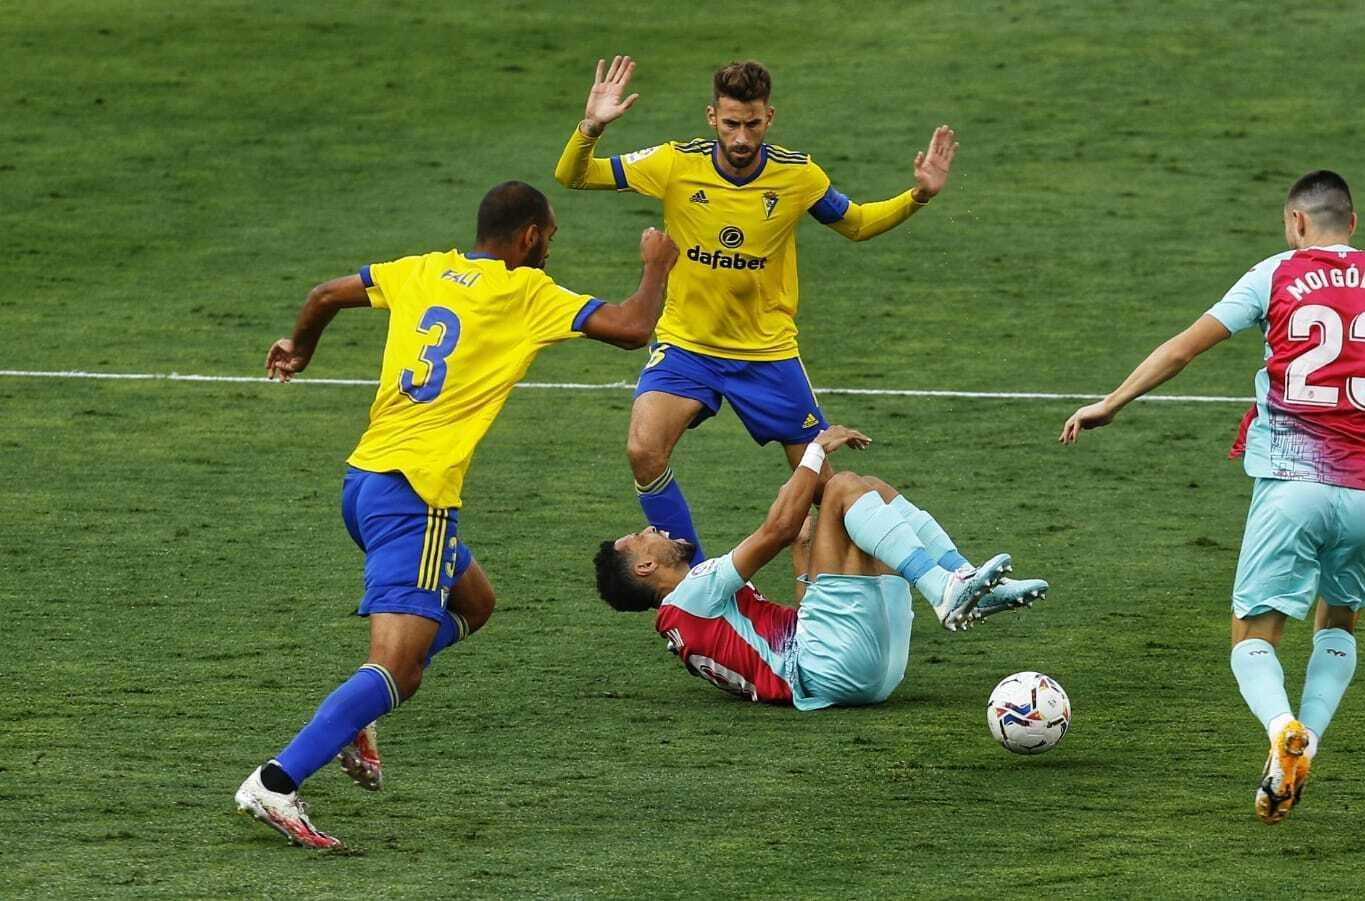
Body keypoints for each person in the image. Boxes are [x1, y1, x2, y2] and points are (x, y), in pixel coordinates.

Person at [1059, 170, 1365, 825]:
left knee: (1252, 637)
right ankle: (1308, 744)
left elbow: (1184, 349)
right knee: (1338, 623)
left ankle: (1281, 727)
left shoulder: (1276, 274)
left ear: (1297, 222)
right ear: (1352, 224)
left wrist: (1112, 402)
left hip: (1292, 488)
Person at [234, 181, 679, 849]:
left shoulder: (421, 270)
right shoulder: (523, 292)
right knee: (397, 671)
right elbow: (632, 327)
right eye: (550, 239)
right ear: (529, 237)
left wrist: (300, 349)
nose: (551, 251)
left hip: (365, 483)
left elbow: (323, 295)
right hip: (418, 497)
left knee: (474, 601)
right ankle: (275, 779)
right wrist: (656, 265)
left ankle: (358, 713)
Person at [554, 56, 959, 566]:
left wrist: (919, 195)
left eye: (751, 124)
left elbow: (855, 223)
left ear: (769, 118)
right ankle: (695, 585)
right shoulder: (675, 163)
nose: (741, 138)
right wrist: (591, 126)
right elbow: (572, 175)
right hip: (687, 347)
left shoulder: (797, 176)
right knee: (643, 450)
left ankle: (940, 571)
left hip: (765, 354)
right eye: (730, 124)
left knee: (827, 491)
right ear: (711, 117)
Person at [593, 424, 1049, 711]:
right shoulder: (693, 593)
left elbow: (797, 620)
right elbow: (775, 528)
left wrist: (803, 548)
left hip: (857, 675)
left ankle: (964, 581)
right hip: (830, 664)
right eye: (642, 537)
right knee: (845, 487)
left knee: (874, 491)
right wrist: (813, 452)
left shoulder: (686, 619)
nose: (654, 529)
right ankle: (944, 591)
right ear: (646, 567)